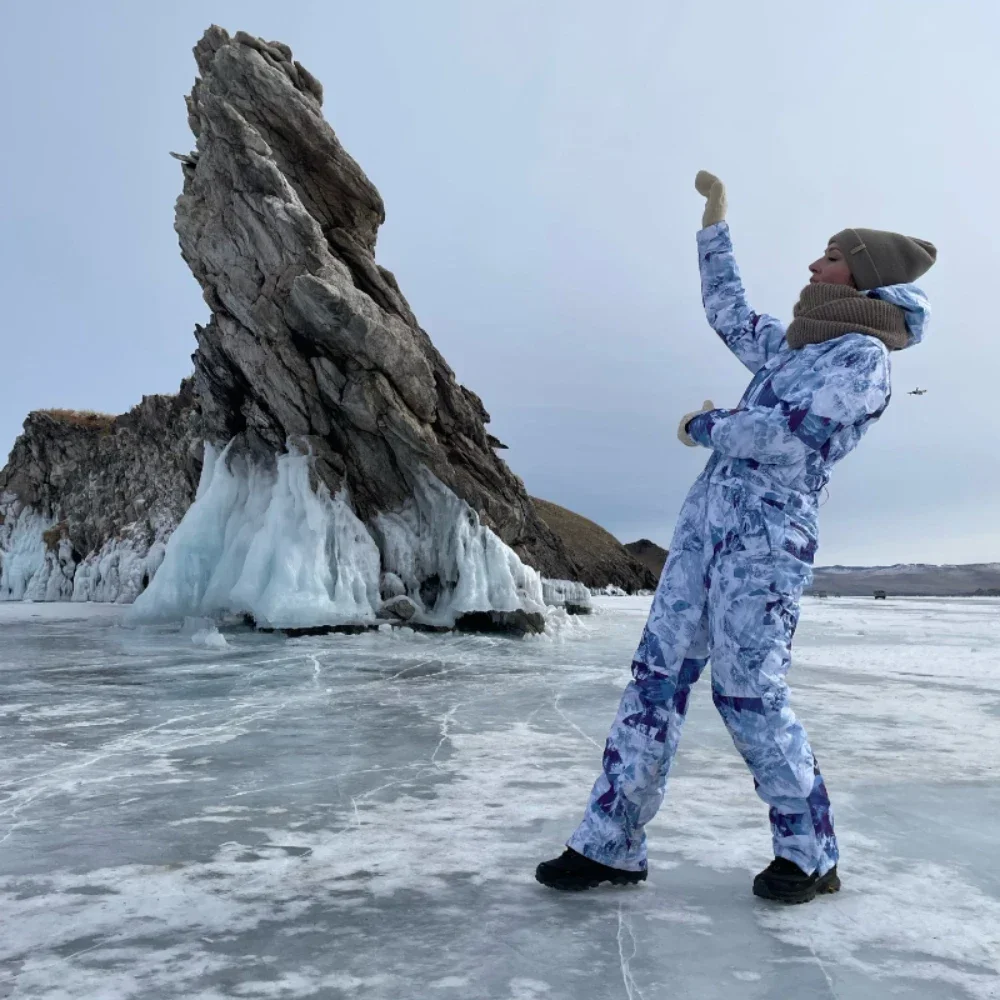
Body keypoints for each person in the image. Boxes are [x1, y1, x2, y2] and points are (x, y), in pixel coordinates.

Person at [536, 171, 936, 904]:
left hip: (766, 548)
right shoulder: (793, 348)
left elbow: (789, 438)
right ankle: (610, 843)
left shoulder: (862, 359)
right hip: (701, 537)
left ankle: (810, 854)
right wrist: (714, 226)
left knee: (749, 689)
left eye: (831, 257)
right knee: (655, 681)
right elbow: (727, 312)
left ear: (864, 276)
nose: (814, 267)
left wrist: (705, 425)